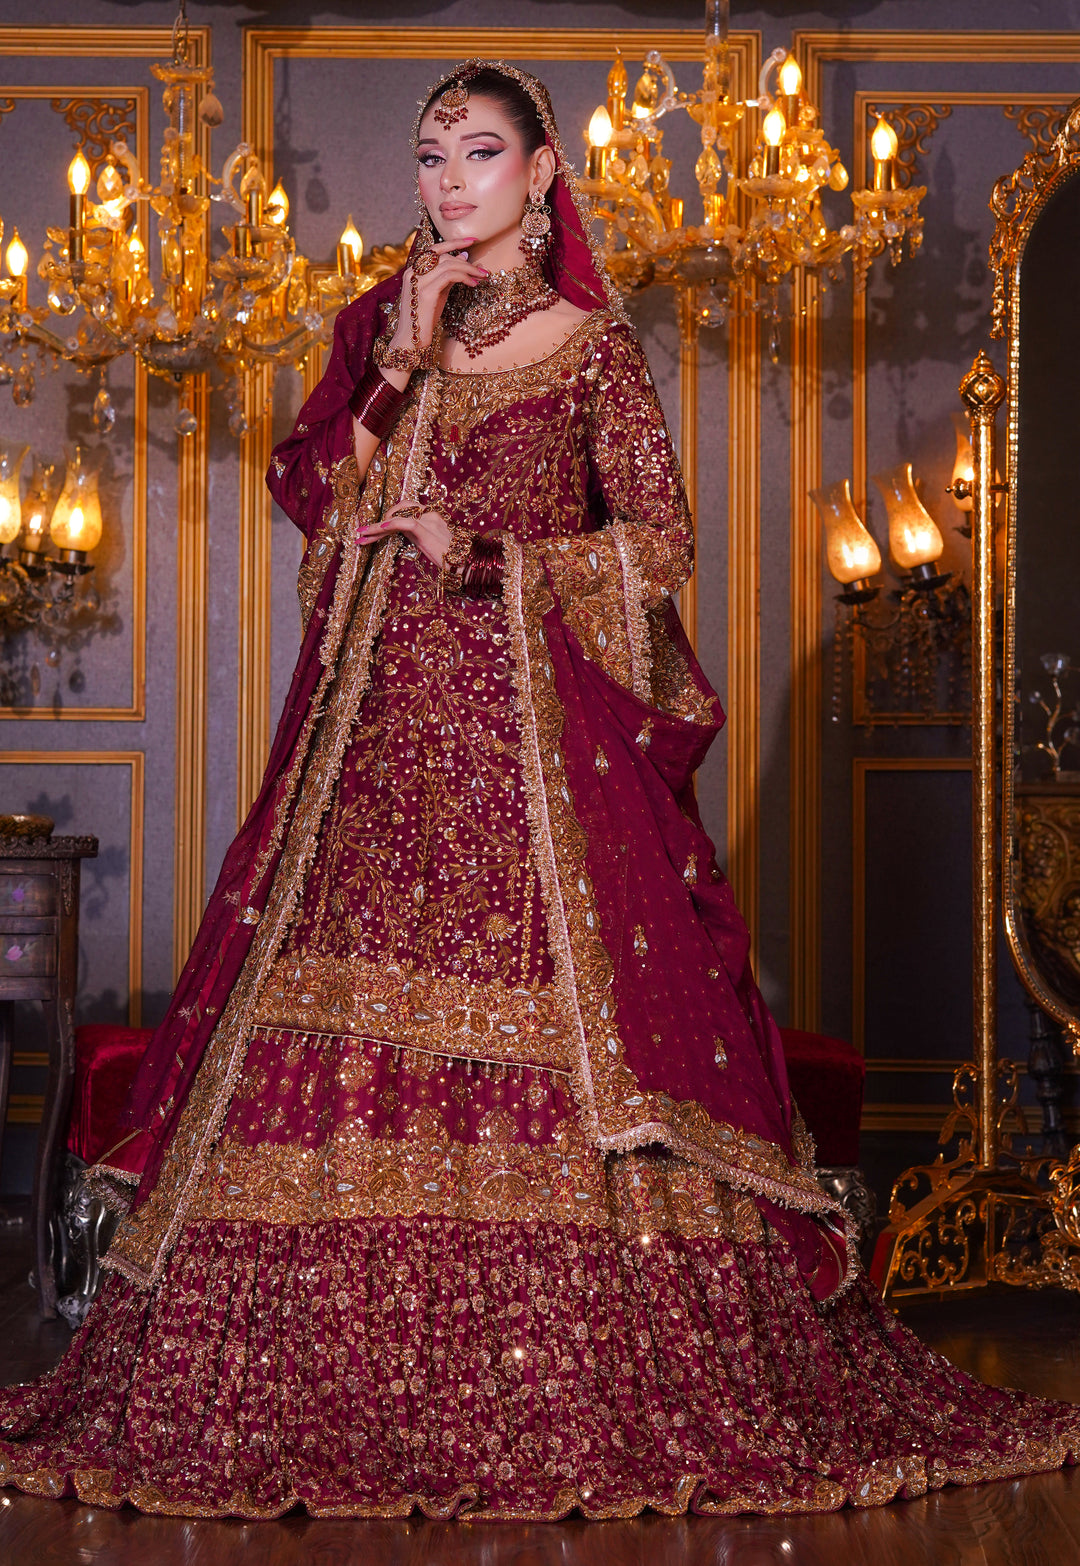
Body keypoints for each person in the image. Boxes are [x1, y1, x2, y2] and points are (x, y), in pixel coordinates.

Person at [0, 59, 1076, 1522]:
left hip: (532, 756)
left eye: (479, 154)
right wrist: (400, 363)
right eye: (430, 157)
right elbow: (323, 504)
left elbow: (660, 545)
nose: (448, 183)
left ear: (543, 169)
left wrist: (496, 559)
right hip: (375, 743)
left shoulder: (594, 350)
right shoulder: (392, 325)